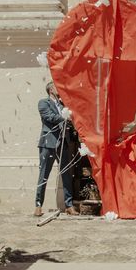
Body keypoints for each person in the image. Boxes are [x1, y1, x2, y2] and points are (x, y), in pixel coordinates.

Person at [34, 82, 79, 217]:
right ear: (50, 90)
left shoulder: (62, 105)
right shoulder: (43, 103)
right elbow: (50, 117)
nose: (59, 88)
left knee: (66, 175)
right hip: (48, 144)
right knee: (44, 175)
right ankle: (38, 205)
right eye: (56, 87)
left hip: (62, 144)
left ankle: (69, 206)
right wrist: (66, 117)